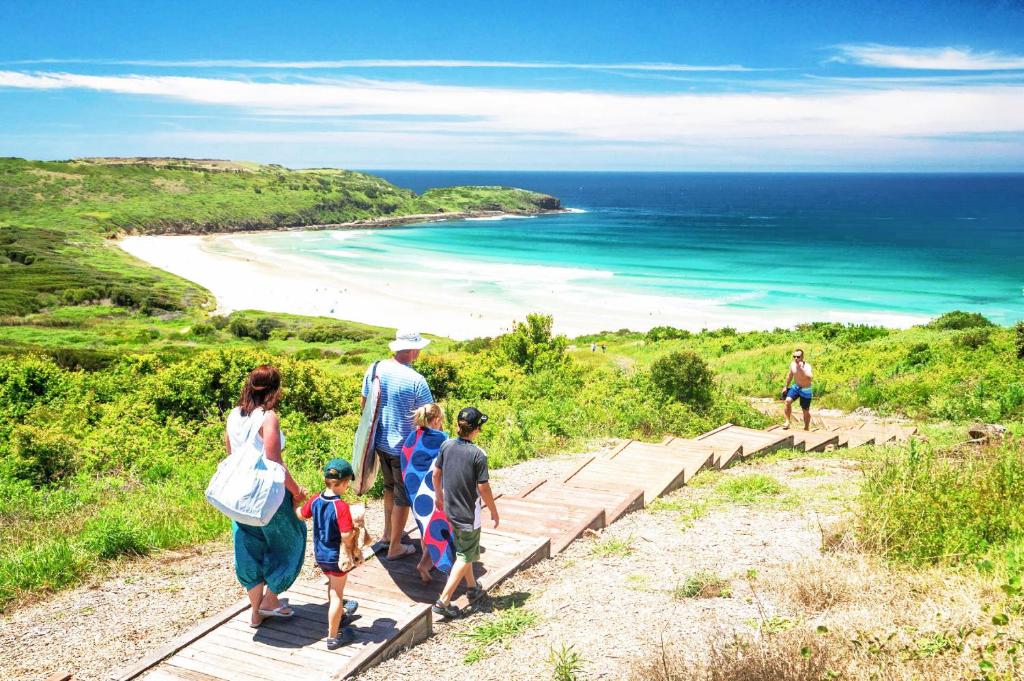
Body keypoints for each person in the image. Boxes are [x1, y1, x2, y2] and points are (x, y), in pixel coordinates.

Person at [225, 365, 308, 628]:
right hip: (267, 496)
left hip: (239, 495)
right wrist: (296, 491)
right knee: (292, 539)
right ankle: (271, 600)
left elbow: (231, 455)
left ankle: (256, 611)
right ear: (275, 389)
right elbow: (274, 461)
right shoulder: (268, 417)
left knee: (248, 547)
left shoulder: (233, 415)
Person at [362, 329, 434, 560]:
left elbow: (365, 406)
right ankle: (395, 547)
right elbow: (429, 419)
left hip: (379, 443)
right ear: (412, 350)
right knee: (403, 495)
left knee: (389, 488)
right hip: (406, 448)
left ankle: (387, 534)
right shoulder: (417, 381)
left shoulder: (374, 369)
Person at [431, 407, 500, 619]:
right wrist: (494, 510)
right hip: (469, 513)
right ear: (477, 429)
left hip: (450, 509)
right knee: (464, 555)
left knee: (465, 549)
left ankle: (472, 586)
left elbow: (436, 474)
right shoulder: (479, 455)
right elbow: (483, 488)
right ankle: (443, 600)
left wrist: (439, 496)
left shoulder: (446, 445)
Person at [297, 458, 363, 649]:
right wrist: (355, 529)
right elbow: (345, 535)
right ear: (342, 483)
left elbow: (301, 514)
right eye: (347, 483)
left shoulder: (316, 499)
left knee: (333, 587)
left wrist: (294, 502)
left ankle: (340, 615)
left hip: (320, 554)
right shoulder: (341, 507)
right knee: (336, 594)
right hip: (336, 557)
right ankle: (333, 637)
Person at [401, 403, 453, 583]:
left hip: (415, 493)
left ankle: (426, 563)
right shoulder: (441, 438)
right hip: (433, 490)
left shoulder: (411, 437)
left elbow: (407, 463)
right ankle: (431, 564)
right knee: (438, 527)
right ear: (437, 420)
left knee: (425, 527)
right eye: (441, 421)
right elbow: (444, 465)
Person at [782, 348, 814, 430]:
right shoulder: (792, 365)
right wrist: (785, 386)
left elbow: (810, 378)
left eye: (798, 357)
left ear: (802, 357)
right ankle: (787, 422)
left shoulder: (807, 366)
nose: (796, 358)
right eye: (794, 356)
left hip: (806, 389)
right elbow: (789, 375)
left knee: (805, 410)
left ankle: (806, 427)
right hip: (796, 387)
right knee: (787, 401)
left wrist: (801, 369)